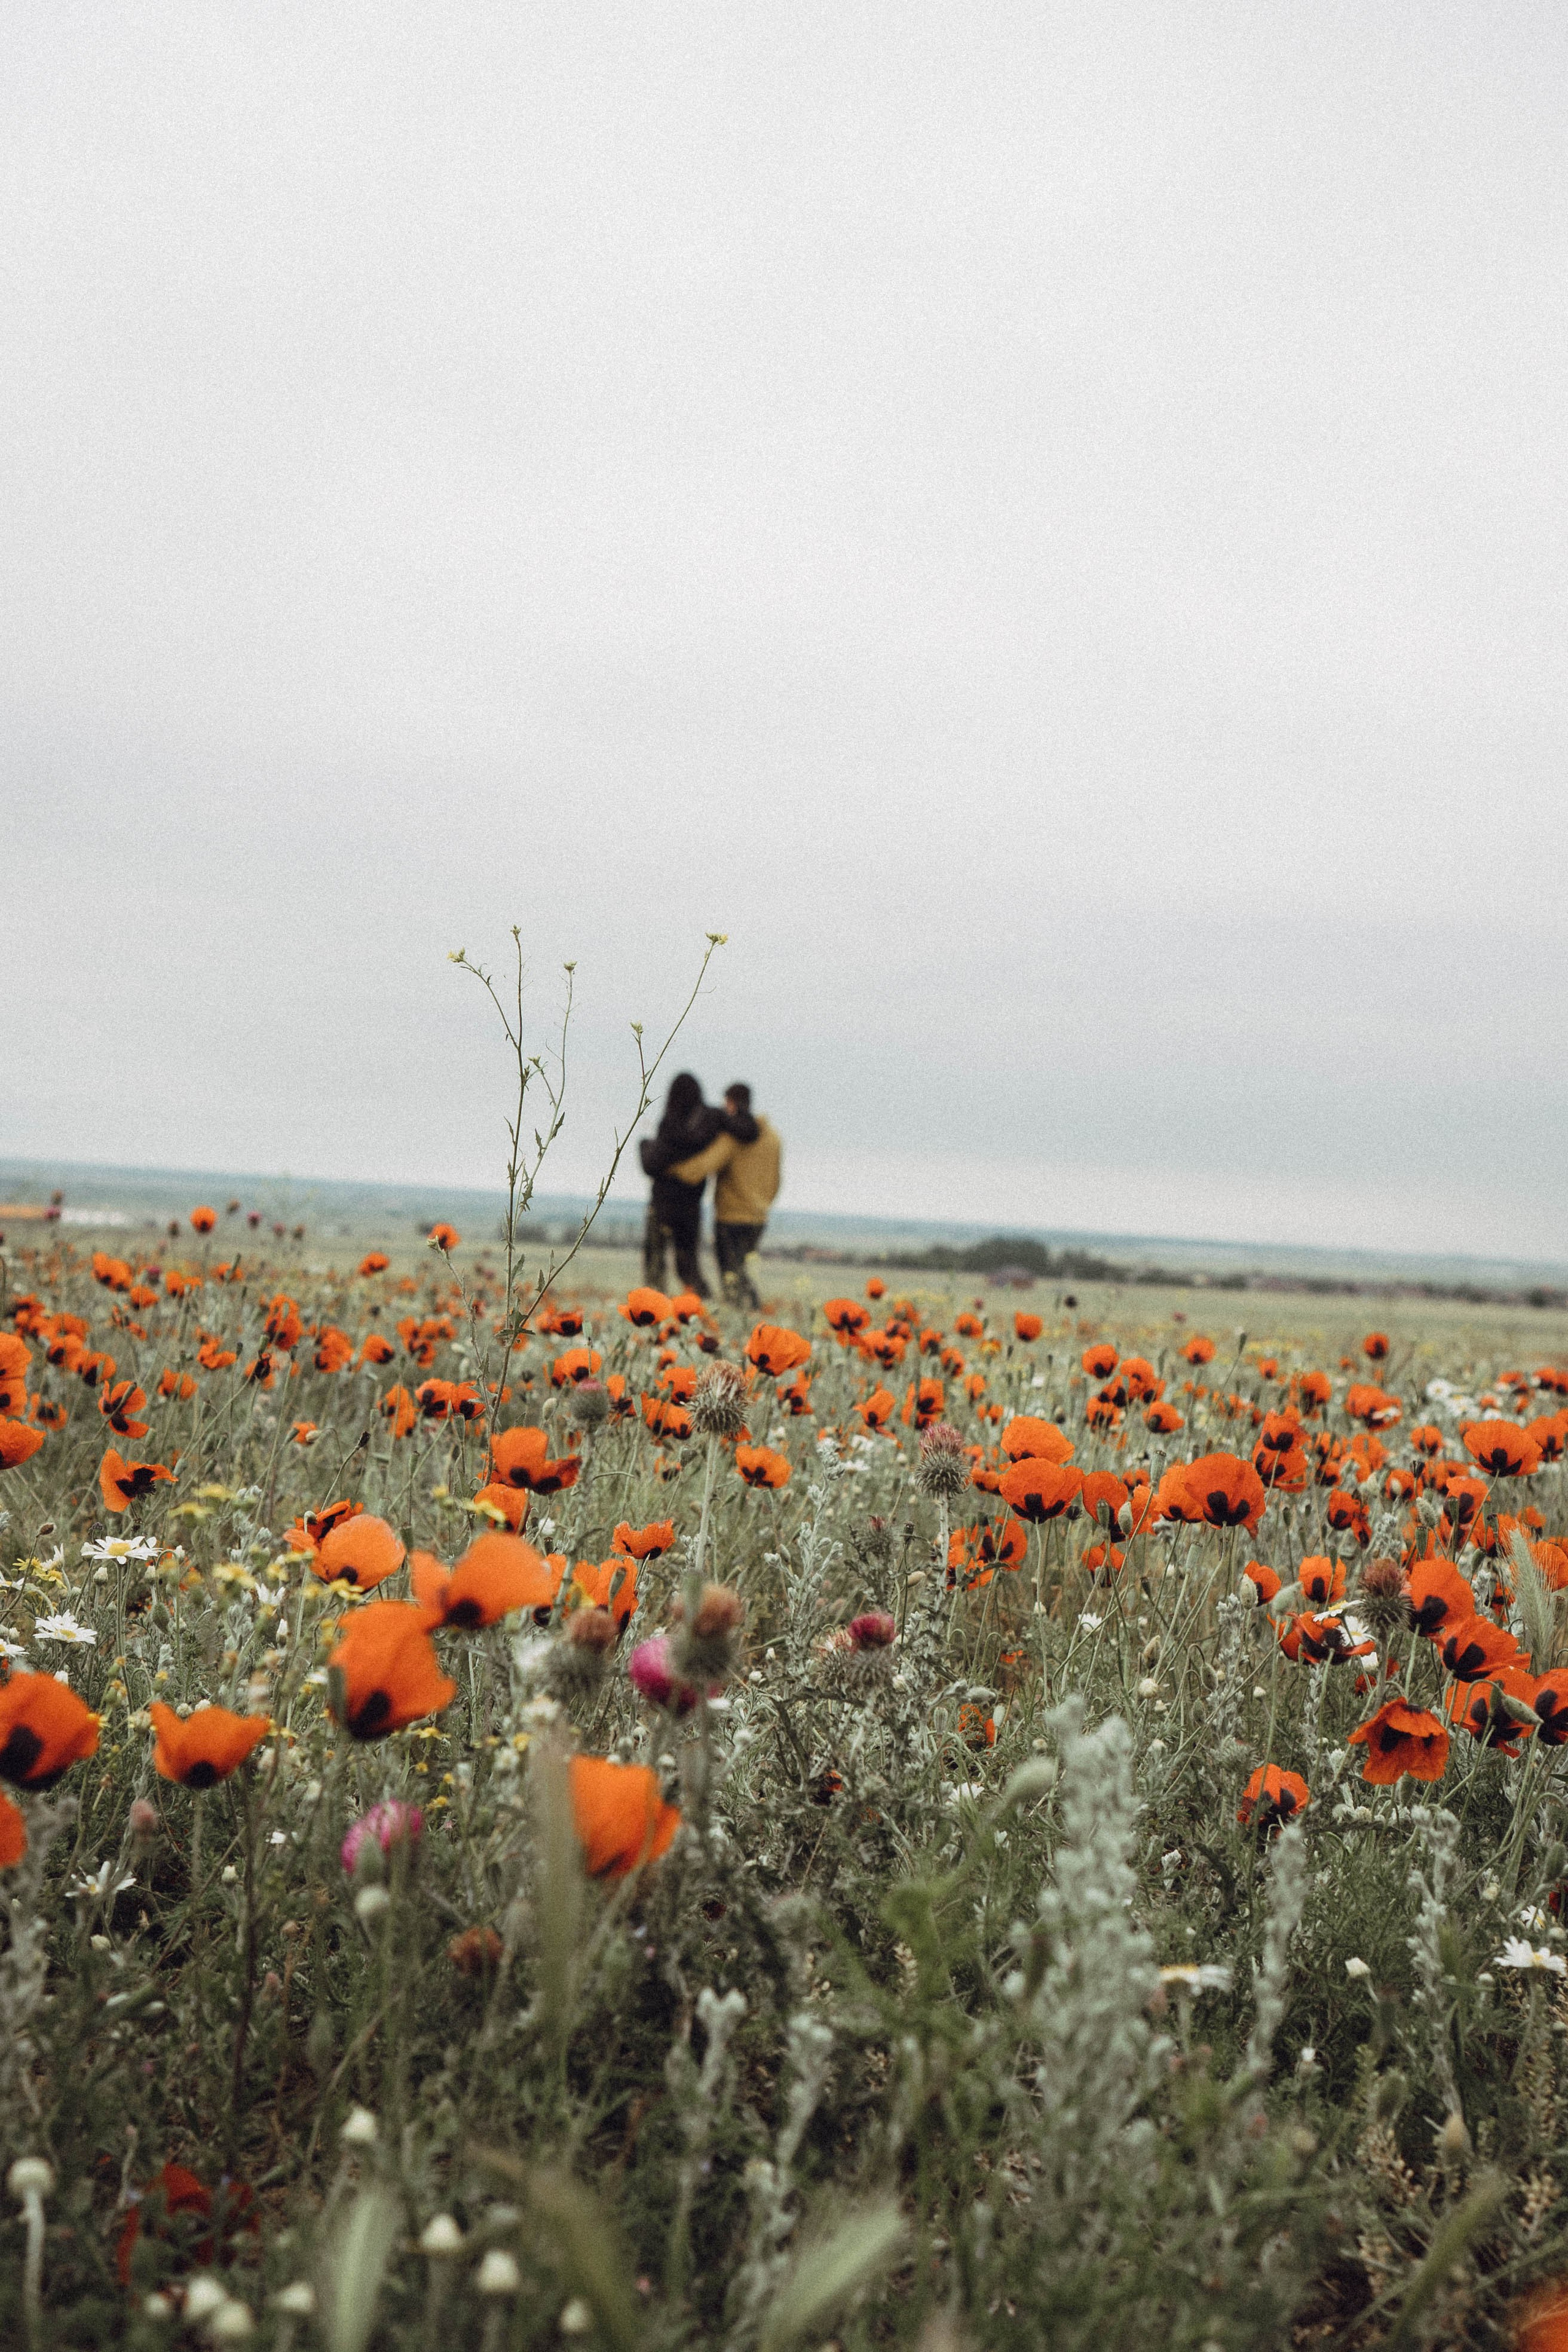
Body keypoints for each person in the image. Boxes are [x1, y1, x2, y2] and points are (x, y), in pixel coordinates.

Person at [637, 1074, 757, 1297]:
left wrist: (644, 1146)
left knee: (654, 1261)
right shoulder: (712, 1119)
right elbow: (749, 1130)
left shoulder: (669, 1125)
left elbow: (652, 1164)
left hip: (663, 1202)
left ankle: (653, 1305)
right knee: (688, 1266)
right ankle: (703, 1306)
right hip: (691, 1205)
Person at [670, 1083, 781, 1310]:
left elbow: (702, 1168)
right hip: (759, 1218)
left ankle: (744, 1315)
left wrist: (668, 1167)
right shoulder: (773, 1139)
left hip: (731, 1217)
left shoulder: (733, 1139)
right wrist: (763, 1204)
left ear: (731, 1103)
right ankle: (751, 1314)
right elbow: (776, 1180)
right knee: (743, 1271)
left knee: (732, 1275)